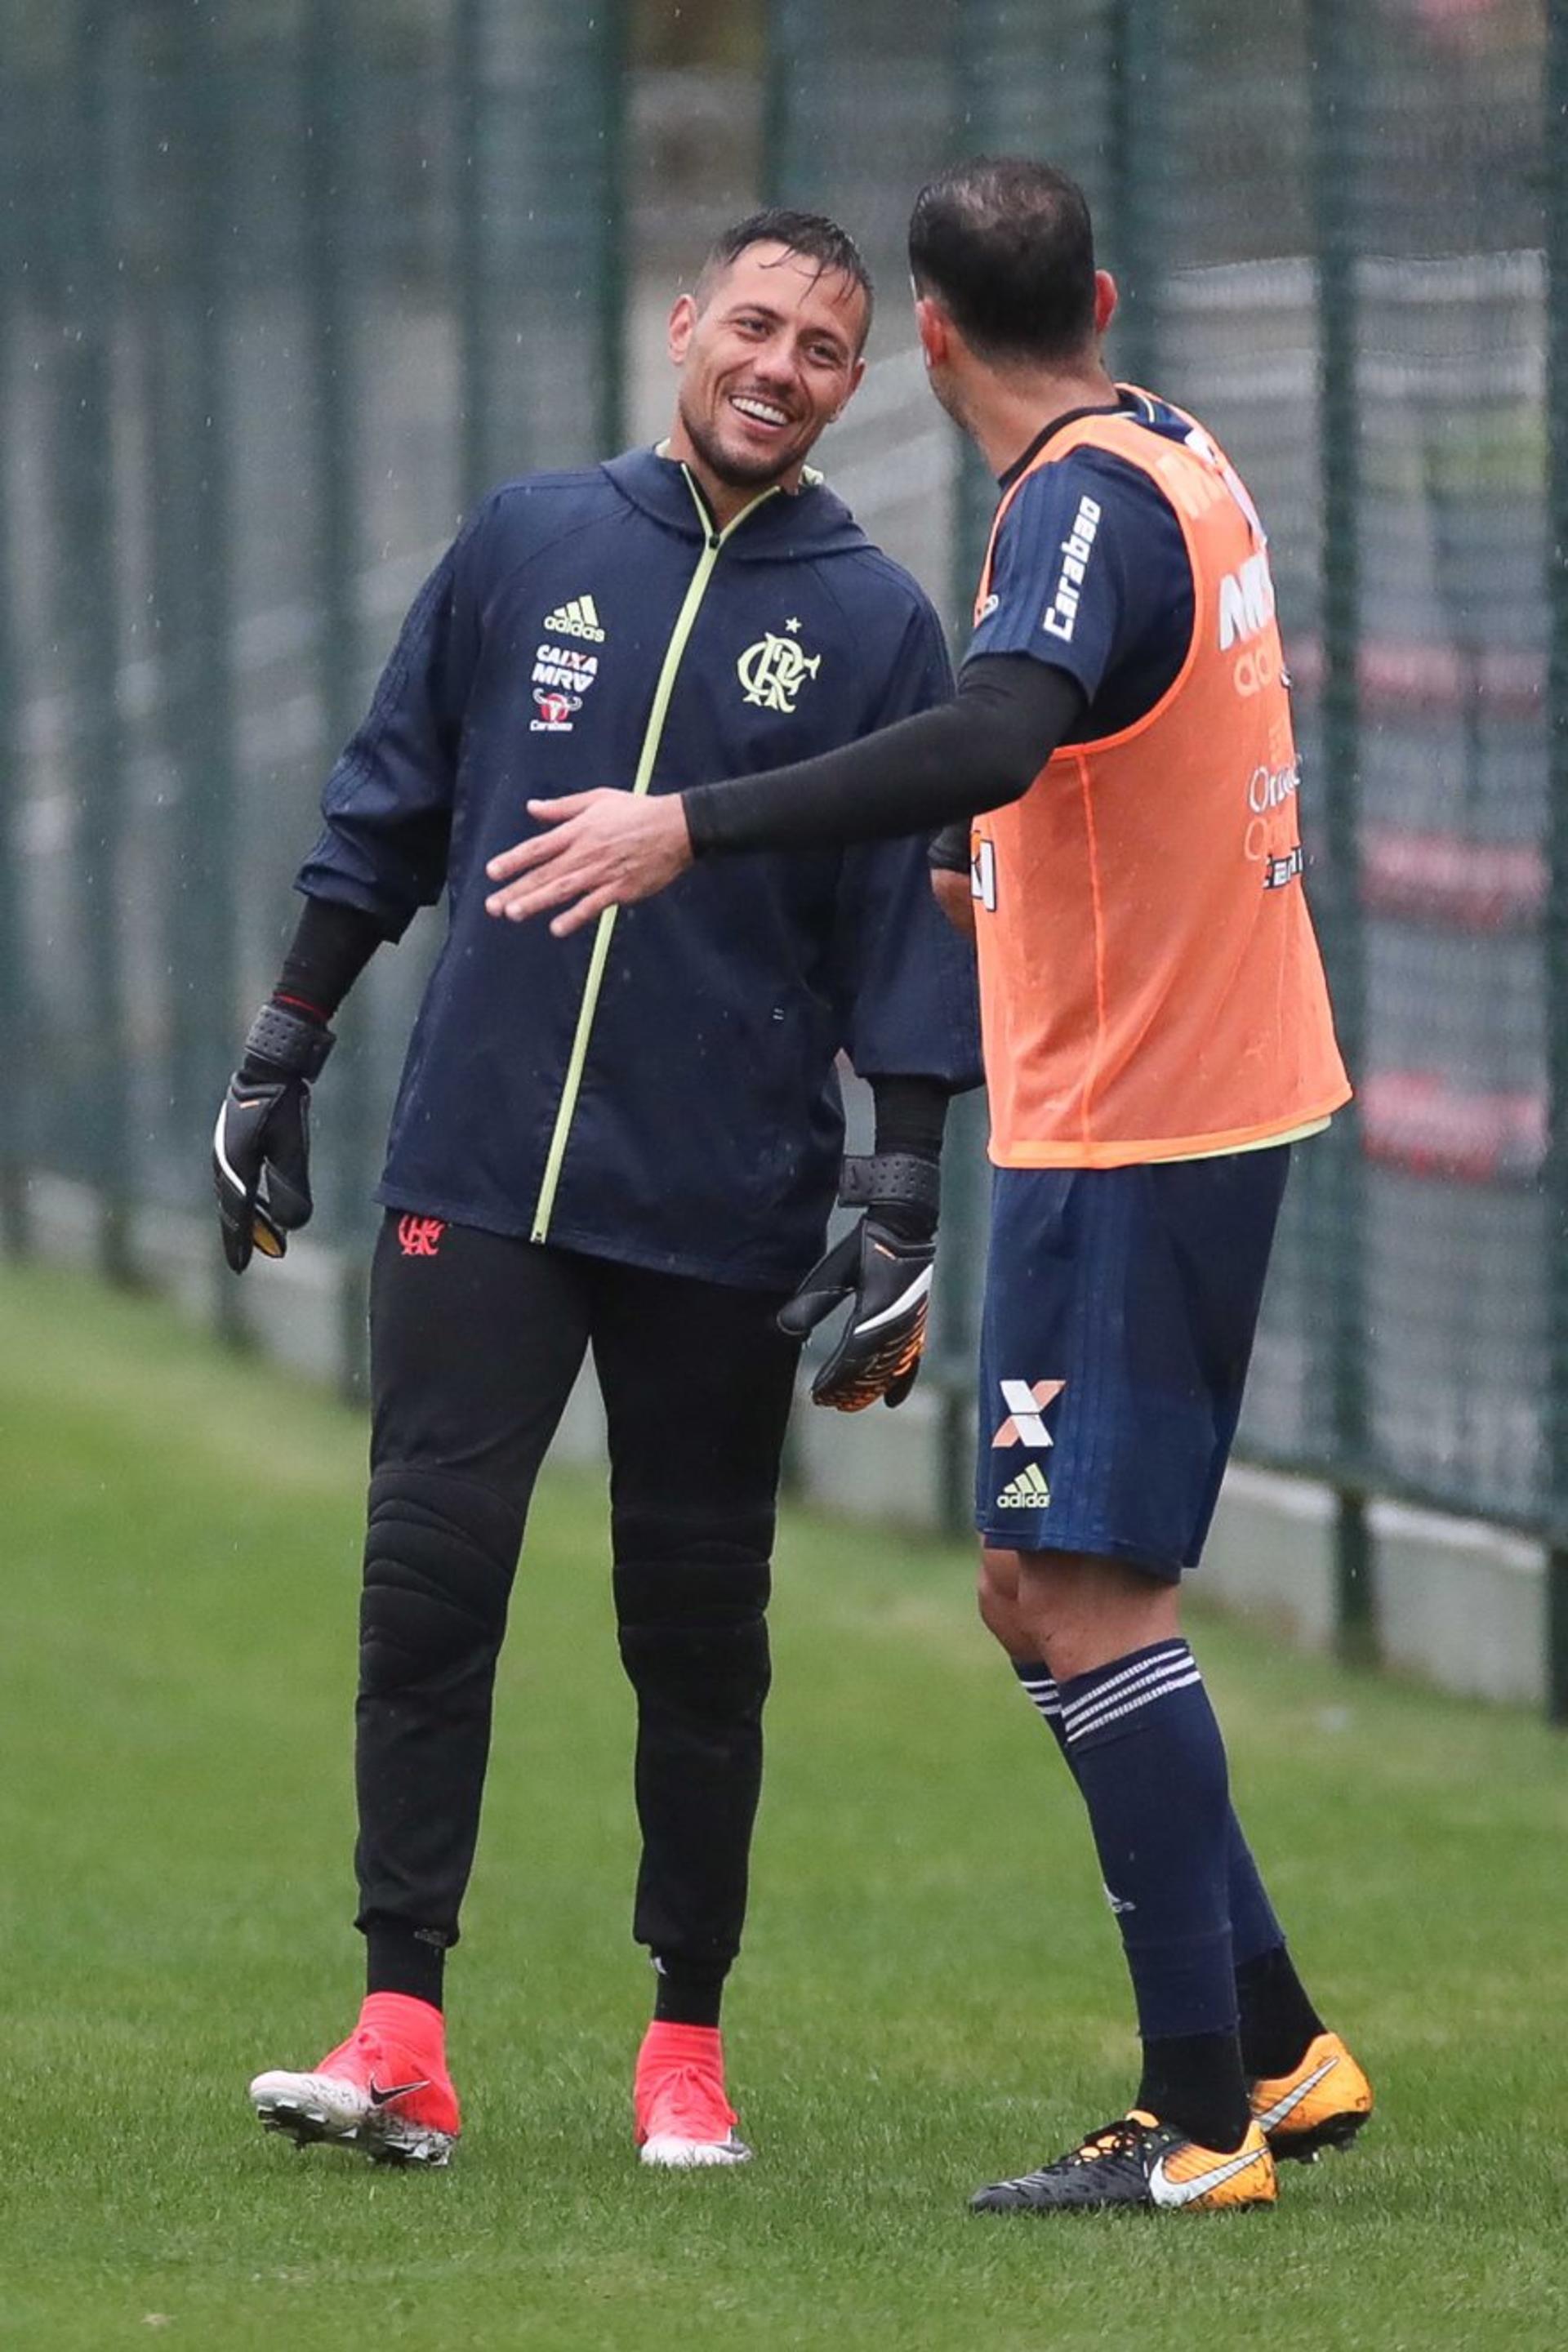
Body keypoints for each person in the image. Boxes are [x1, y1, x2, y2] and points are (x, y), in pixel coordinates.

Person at [482, 157, 1374, 2217]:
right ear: (1111, 298)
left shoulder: (1071, 501)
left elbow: (996, 731)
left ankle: (1198, 2126)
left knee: (1084, 1592)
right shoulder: (1175, 446)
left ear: (934, 342)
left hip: (1146, 1118)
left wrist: (689, 826)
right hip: (1189, 1084)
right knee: (1026, 1585)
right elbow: (1089, 758)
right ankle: (1278, 2044)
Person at [214, 209, 981, 2171]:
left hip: (718, 1208)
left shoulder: (884, 623)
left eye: (824, 345)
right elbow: (386, 802)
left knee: (696, 1631)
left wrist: (901, 1194)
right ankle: (400, 2028)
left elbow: (907, 923)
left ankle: (686, 2053)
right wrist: (283, 1044)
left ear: (853, 384)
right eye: (754, 322)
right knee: (426, 1587)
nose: (779, 363)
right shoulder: (529, 537)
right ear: (683, 327)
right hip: (472, 1173)